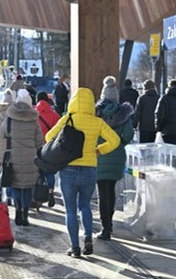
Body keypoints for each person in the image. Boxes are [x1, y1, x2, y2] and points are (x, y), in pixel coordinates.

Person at [45, 87, 120, 258]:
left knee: (70, 210)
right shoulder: (97, 122)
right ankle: (88, 238)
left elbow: (48, 137)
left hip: (68, 170)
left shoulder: (67, 119)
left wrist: (63, 146)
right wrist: (99, 150)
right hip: (89, 170)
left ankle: (74, 247)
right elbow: (115, 140)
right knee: (85, 205)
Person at [95, 76, 134, 241]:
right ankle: (109, 224)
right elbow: (129, 135)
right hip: (117, 156)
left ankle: (105, 228)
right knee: (111, 191)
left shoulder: (96, 112)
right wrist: (119, 143)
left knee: (101, 192)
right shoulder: (123, 113)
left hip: (99, 154)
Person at [0, 88, 43, 226]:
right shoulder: (34, 121)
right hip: (31, 159)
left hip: (13, 158)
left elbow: (1, 135)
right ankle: (25, 213)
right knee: (27, 187)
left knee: (16, 186)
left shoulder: (9, 121)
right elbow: (39, 142)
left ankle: (17, 210)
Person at [34, 91, 61, 207]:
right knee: (49, 172)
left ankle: (38, 195)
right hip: (50, 147)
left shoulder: (33, 114)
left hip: (37, 147)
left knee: (37, 172)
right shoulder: (55, 115)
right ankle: (50, 191)